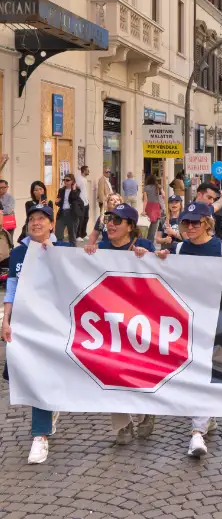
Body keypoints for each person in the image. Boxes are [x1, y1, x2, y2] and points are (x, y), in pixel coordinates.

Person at [158, 202, 222, 456]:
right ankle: (204, 420)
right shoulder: (178, 249)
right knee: (194, 372)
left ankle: (196, 432)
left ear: (207, 223)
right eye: (185, 223)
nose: (189, 227)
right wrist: (155, 258)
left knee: (208, 372)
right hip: (186, 320)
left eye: (195, 222)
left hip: (216, 319)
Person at [82, 203, 160, 444]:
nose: (111, 224)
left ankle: (146, 413)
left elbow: (163, 273)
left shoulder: (144, 246)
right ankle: (122, 423)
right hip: (109, 322)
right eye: (109, 219)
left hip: (139, 321)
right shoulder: (101, 248)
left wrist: (151, 259)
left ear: (130, 227)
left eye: (118, 220)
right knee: (113, 372)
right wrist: (85, 254)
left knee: (140, 370)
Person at [3, 203, 72, 463]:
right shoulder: (18, 253)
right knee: (29, 375)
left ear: (52, 224)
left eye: (42, 218)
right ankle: (43, 424)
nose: (36, 222)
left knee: (46, 375)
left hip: (55, 325)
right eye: (32, 218)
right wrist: (6, 320)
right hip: (26, 325)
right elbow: (11, 289)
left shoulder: (64, 250)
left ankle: (42, 429)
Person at [55, 173, 83, 246]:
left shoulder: (77, 190)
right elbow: (59, 202)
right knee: (58, 235)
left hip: (72, 214)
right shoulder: (61, 190)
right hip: (62, 213)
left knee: (72, 236)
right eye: (64, 180)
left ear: (72, 181)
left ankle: (73, 253)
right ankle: (59, 250)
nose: (65, 182)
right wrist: (57, 202)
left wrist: (73, 189)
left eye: (67, 180)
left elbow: (74, 198)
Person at [141, 175, 164, 241]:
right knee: (154, 226)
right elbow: (163, 195)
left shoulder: (145, 187)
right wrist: (161, 188)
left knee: (147, 225)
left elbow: (145, 200)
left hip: (149, 206)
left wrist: (143, 210)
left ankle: (147, 240)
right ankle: (150, 240)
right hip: (156, 207)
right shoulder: (158, 187)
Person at [76, 165, 91, 241]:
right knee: (80, 219)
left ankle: (83, 234)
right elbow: (76, 188)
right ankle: (77, 235)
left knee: (86, 218)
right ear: (84, 171)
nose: (89, 171)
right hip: (81, 202)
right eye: (87, 170)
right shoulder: (79, 179)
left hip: (86, 202)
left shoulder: (85, 179)